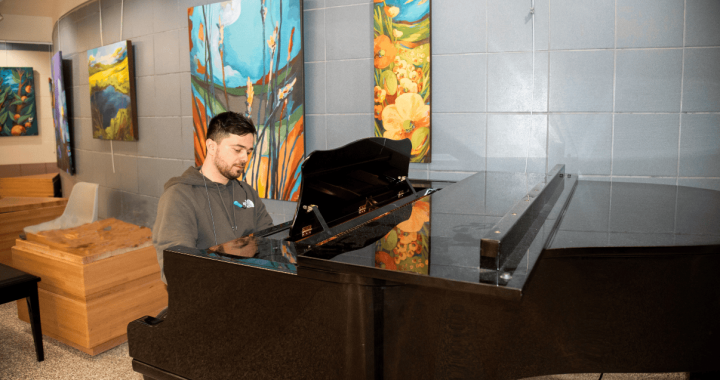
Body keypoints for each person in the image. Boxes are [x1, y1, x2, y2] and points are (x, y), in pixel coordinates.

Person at [153, 111, 274, 283]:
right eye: (237, 149)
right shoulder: (179, 197)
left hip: (251, 283)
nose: (244, 158)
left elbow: (269, 241)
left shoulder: (247, 192)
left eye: (248, 151)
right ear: (211, 147)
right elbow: (178, 270)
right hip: (210, 291)